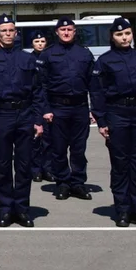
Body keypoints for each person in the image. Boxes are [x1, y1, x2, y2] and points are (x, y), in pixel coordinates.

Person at [90, 17, 136, 227]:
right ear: (112, 37)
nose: (124, 38)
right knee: (121, 164)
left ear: (132, 34)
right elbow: (97, 93)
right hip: (117, 114)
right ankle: (122, 210)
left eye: (127, 33)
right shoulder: (104, 61)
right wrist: (102, 121)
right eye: (119, 34)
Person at [0, 14, 46, 228]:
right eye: (3, 31)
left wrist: (38, 119)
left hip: (25, 115)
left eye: (11, 30)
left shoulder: (29, 59)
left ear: (16, 34)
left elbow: (38, 91)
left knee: (24, 165)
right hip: (2, 115)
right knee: (3, 165)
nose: (8, 34)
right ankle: (6, 209)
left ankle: (23, 209)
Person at [35, 19, 95, 200]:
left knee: (78, 149)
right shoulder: (47, 55)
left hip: (80, 107)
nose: (66, 32)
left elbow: (94, 84)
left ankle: (77, 182)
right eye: (63, 29)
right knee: (58, 149)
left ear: (75, 31)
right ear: (57, 32)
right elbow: (40, 86)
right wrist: (45, 109)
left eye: (69, 29)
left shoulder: (84, 54)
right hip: (57, 107)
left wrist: (95, 110)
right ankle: (62, 182)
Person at [29, 30, 52, 182]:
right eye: (37, 42)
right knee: (35, 139)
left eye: (42, 41)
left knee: (49, 139)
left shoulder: (50, 57)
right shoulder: (28, 59)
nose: (40, 44)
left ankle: (48, 169)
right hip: (34, 103)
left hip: (49, 101)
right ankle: (35, 169)